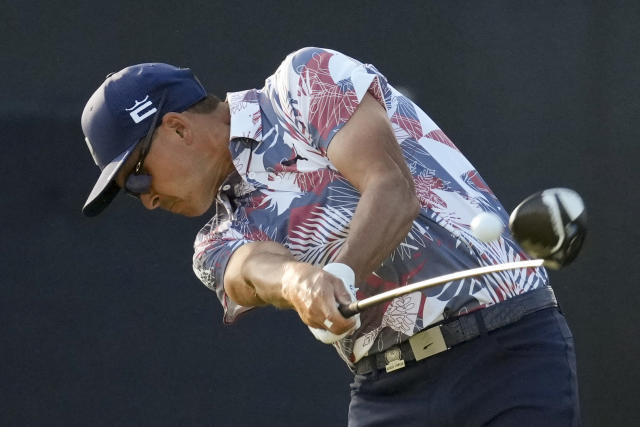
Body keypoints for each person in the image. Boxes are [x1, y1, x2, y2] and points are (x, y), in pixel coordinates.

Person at [81, 47, 581, 426]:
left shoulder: (304, 81)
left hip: (506, 349)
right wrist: (300, 282)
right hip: (388, 391)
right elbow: (254, 271)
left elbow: (392, 190)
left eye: (138, 177)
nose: (146, 199)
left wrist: (340, 273)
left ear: (177, 129)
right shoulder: (213, 242)